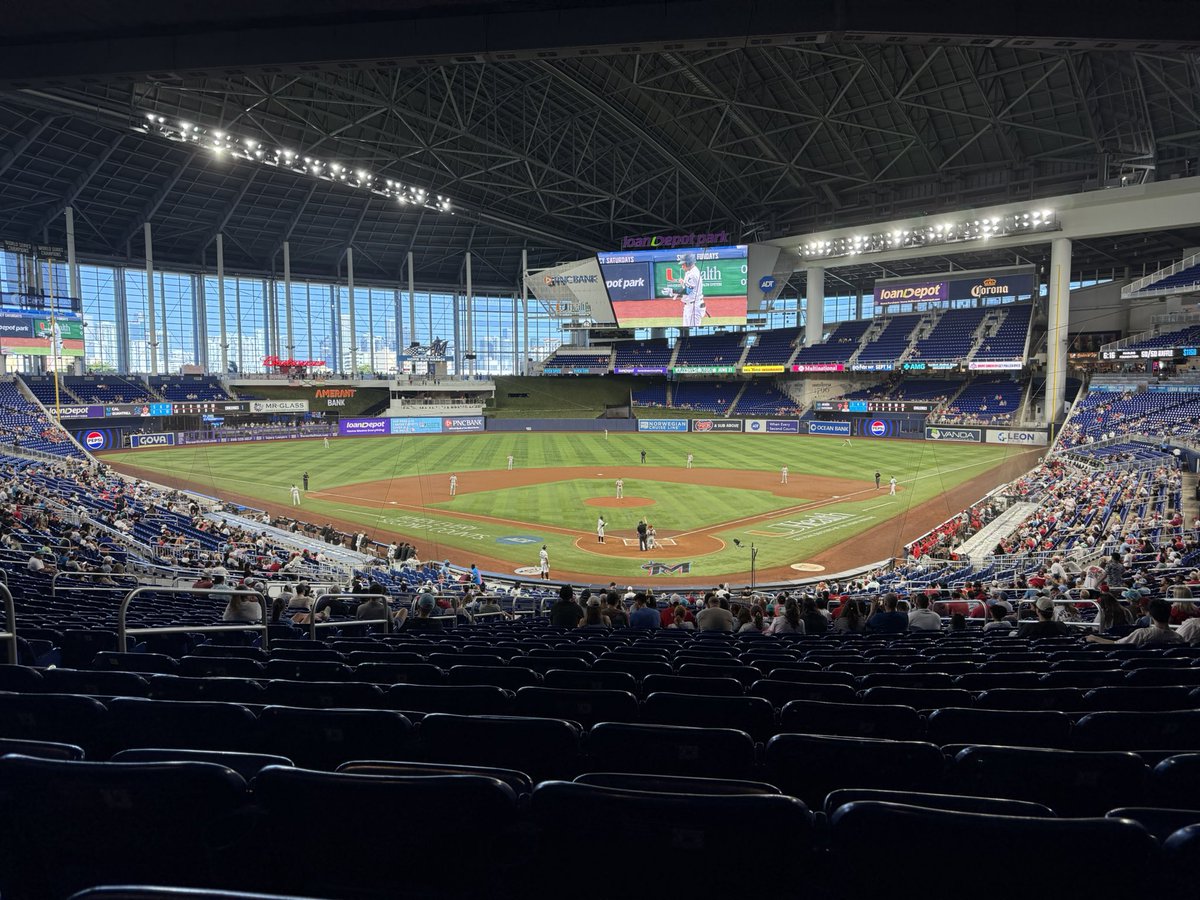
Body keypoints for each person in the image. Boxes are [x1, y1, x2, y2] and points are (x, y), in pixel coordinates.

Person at [1087, 598, 1184, 646]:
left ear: (1150, 614)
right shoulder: (1178, 638)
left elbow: (1117, 644)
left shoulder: (1142, 634)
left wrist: (1095, 638)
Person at [672, 252, 706, 327]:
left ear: (688, 263)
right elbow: (688, 287)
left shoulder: (693, 274)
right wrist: (683, 283)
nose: (682, 266)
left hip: (694, 307)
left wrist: (672, 291)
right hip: (689, 306)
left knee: (692, 331)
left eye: (683, 264)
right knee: (686, 330)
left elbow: (687, 291)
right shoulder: (689, 272)